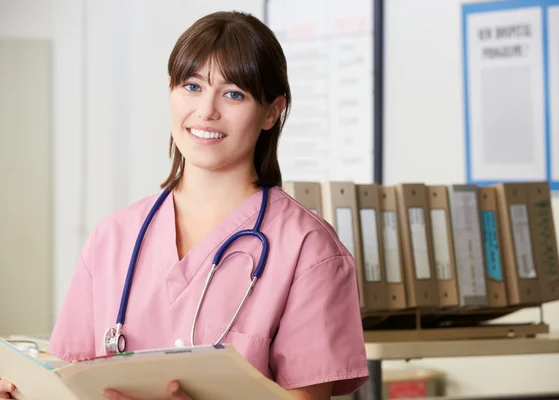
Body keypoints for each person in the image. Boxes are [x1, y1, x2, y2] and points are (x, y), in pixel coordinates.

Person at [0, 10, 368, 400]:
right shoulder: (113, 238)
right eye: (192, 86)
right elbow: (70, 382)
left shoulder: (309, 250)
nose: (206, 111)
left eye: (233, 94)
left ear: (271, 112)